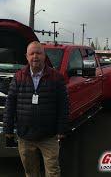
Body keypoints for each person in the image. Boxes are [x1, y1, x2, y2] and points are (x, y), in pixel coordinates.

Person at [4, 41, 70, 177]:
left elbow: (63, 105)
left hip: (49, 136)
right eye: (32, 53)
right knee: (30, 172)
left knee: (53, 171)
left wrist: (61, 129)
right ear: (26, 57)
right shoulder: (18, 77)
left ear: (44, 56)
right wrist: (8, 130)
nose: (35, 56)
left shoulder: (56, 77)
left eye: (39, 53)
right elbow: (10, 104)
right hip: (25, 136)